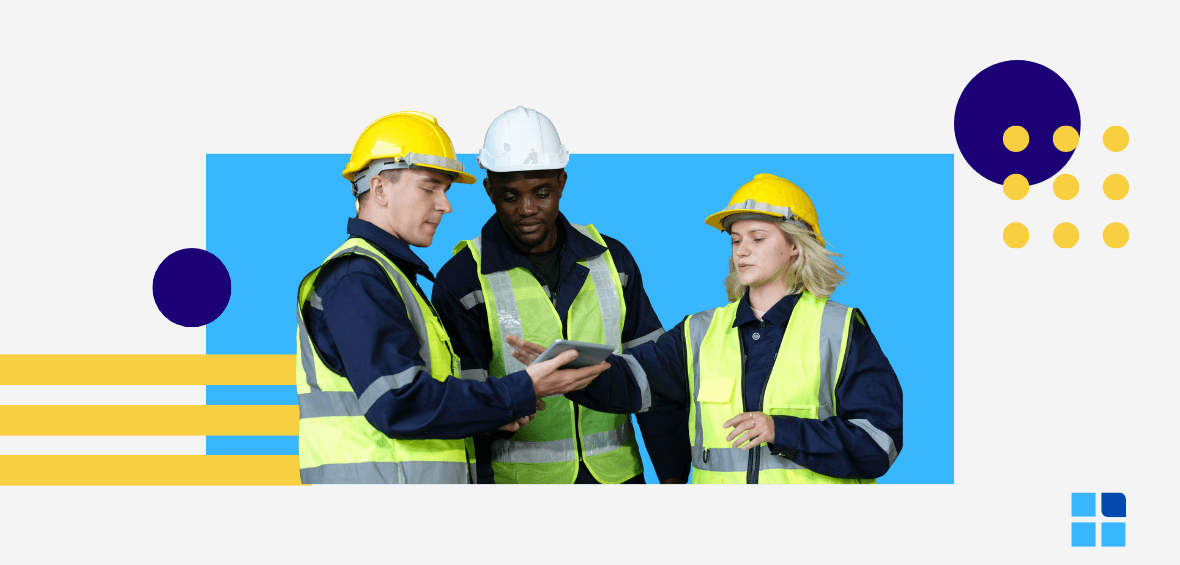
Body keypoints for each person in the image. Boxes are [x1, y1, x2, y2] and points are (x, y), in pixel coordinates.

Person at [508, 174, 902, 484]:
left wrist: (781, 431)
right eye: (735, 240)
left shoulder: (840, 329)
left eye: (758, 238)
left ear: (795, 247)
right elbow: (633, 380)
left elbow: (879, 443)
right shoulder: (699, 332)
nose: (741, 250)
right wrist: (568, 367)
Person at [295, 111, 607, 484]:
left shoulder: (388, 276)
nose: (445, 205)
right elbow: (400, 404)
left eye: (445, 190)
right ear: (379, 189)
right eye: (429, 188)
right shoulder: (357, 280)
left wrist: (493, 414)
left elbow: (422, 399)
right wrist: (523, 389)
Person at [432, 106, 690, 484]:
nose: (527, 209)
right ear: (489, 190)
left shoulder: (613, 260)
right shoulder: (463, 280)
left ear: (561, 183)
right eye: (510, 196)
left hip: (618, 477)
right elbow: (462, 405)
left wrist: (672, 476)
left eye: (541, 193)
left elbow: (653, 377)